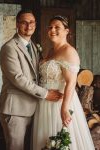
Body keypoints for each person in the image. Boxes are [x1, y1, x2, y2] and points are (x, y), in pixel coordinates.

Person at [0, 10, 63, 150]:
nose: (29, 26)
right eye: (24, 22)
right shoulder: (9, 48)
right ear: (17, 24)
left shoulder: (33, 46)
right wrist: (46, 93)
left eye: (32, 22)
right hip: (15, 110)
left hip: (35, 108)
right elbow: (18, 79)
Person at [33, 15, 95, 150]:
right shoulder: (51, 51)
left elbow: (71, 82)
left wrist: (64, 109)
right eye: (50, 27)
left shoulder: (69, 51)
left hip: (60, 102)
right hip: (44, 102)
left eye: (57, 27)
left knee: (61, 140)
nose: (52, 30)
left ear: (67, 31)